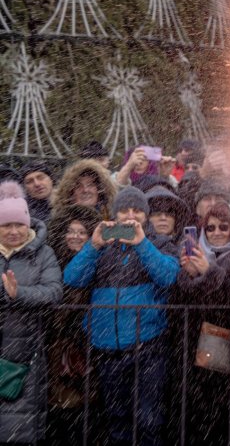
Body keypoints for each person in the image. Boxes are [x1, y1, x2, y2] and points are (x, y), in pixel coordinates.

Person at [63, 186, 180, 446]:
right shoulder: (103, 246)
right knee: (117, 421)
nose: (130, 215)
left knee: (149, 420)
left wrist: (142, 244)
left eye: (137, 210)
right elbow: (72, 278)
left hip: (147, 346)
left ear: (146, 216)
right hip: (107, 350)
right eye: (124, 210)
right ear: (114, 215)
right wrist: (93, 246)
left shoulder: (160, 242)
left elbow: (169, 277)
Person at [173, 201, 230, 445]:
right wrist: (187, 274)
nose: (217, 232)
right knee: (195, 407)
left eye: (223, 227)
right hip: (193, 340)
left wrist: (209, 272)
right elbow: (181, 297)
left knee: (223, 406)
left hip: (224, 337)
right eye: (210, 228)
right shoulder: (196, 253)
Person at [0, 181, 63, 444]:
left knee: (19, 428)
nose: (14, 231)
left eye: (19, 225)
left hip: (24, 354)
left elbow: (53, 291)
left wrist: (18, 295)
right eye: (6, 225)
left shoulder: (43, 254)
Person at [45, 204, 102, 443]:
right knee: (61, 404)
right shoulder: (55, 261)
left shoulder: (97, 262)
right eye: (71, 231)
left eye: (81, 232)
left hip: (89, 342)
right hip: (60, 344)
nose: (75, 236)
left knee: (89, 404)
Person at [50, 159, 117, 220]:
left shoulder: (115, 220)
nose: (85, 190)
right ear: (70, 192)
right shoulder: (59, 223)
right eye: (78, 186)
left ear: (100, 190)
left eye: (90, 185)